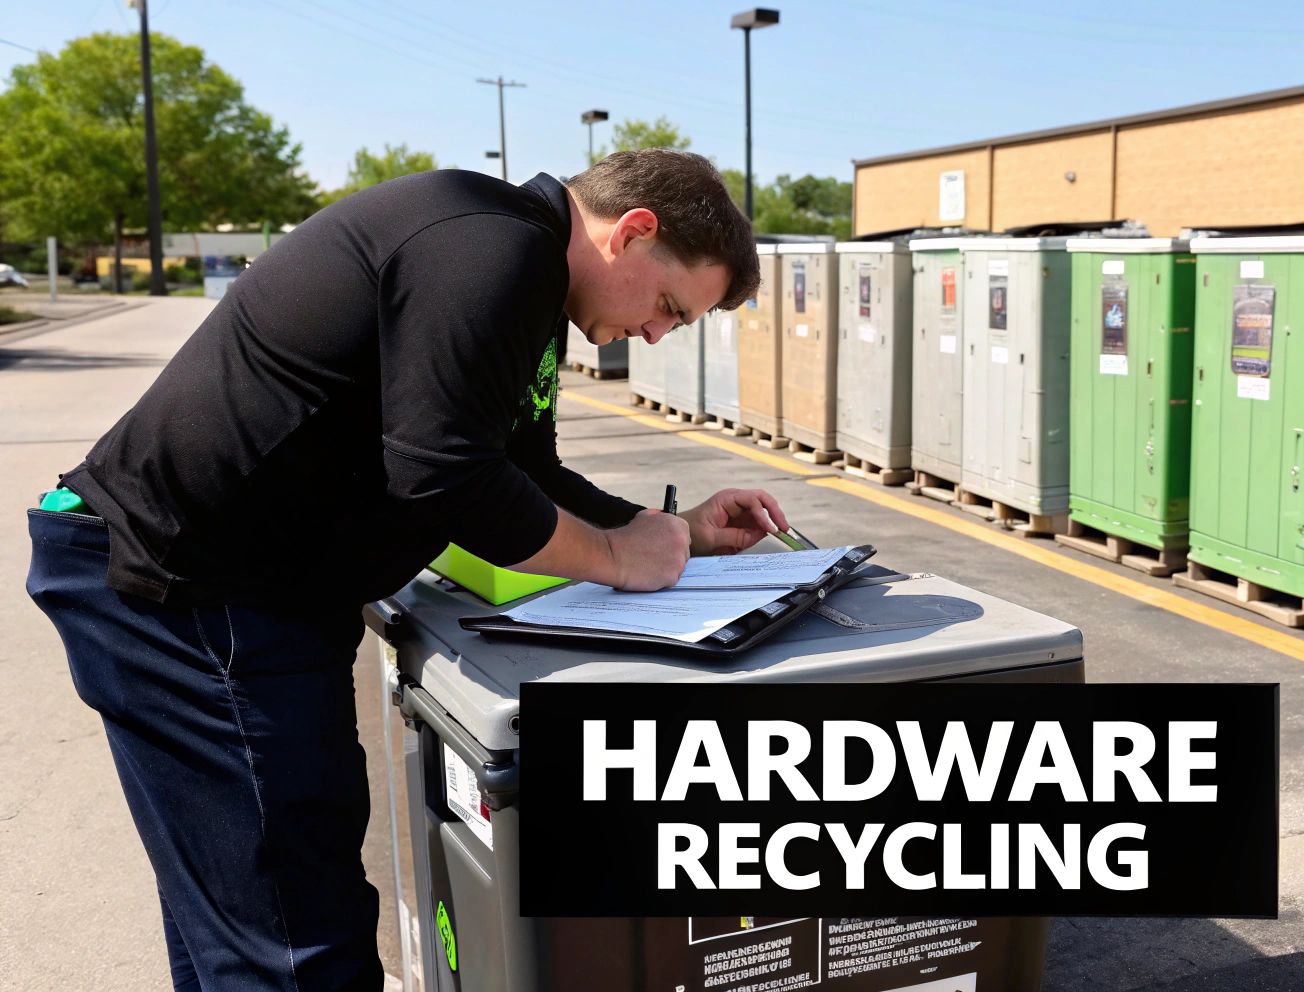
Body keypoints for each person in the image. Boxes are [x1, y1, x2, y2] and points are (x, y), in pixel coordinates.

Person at [25, 148, 784, 989]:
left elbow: (522, 471)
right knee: (294, 942)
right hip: (189, 594)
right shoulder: (489, 245)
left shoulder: (518, 270)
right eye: (670, 307)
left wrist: (670, 529)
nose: (653, 334)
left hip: (234, 593)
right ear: (632, 231)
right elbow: (445, 476)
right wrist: (615, 561)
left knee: (246, 924)